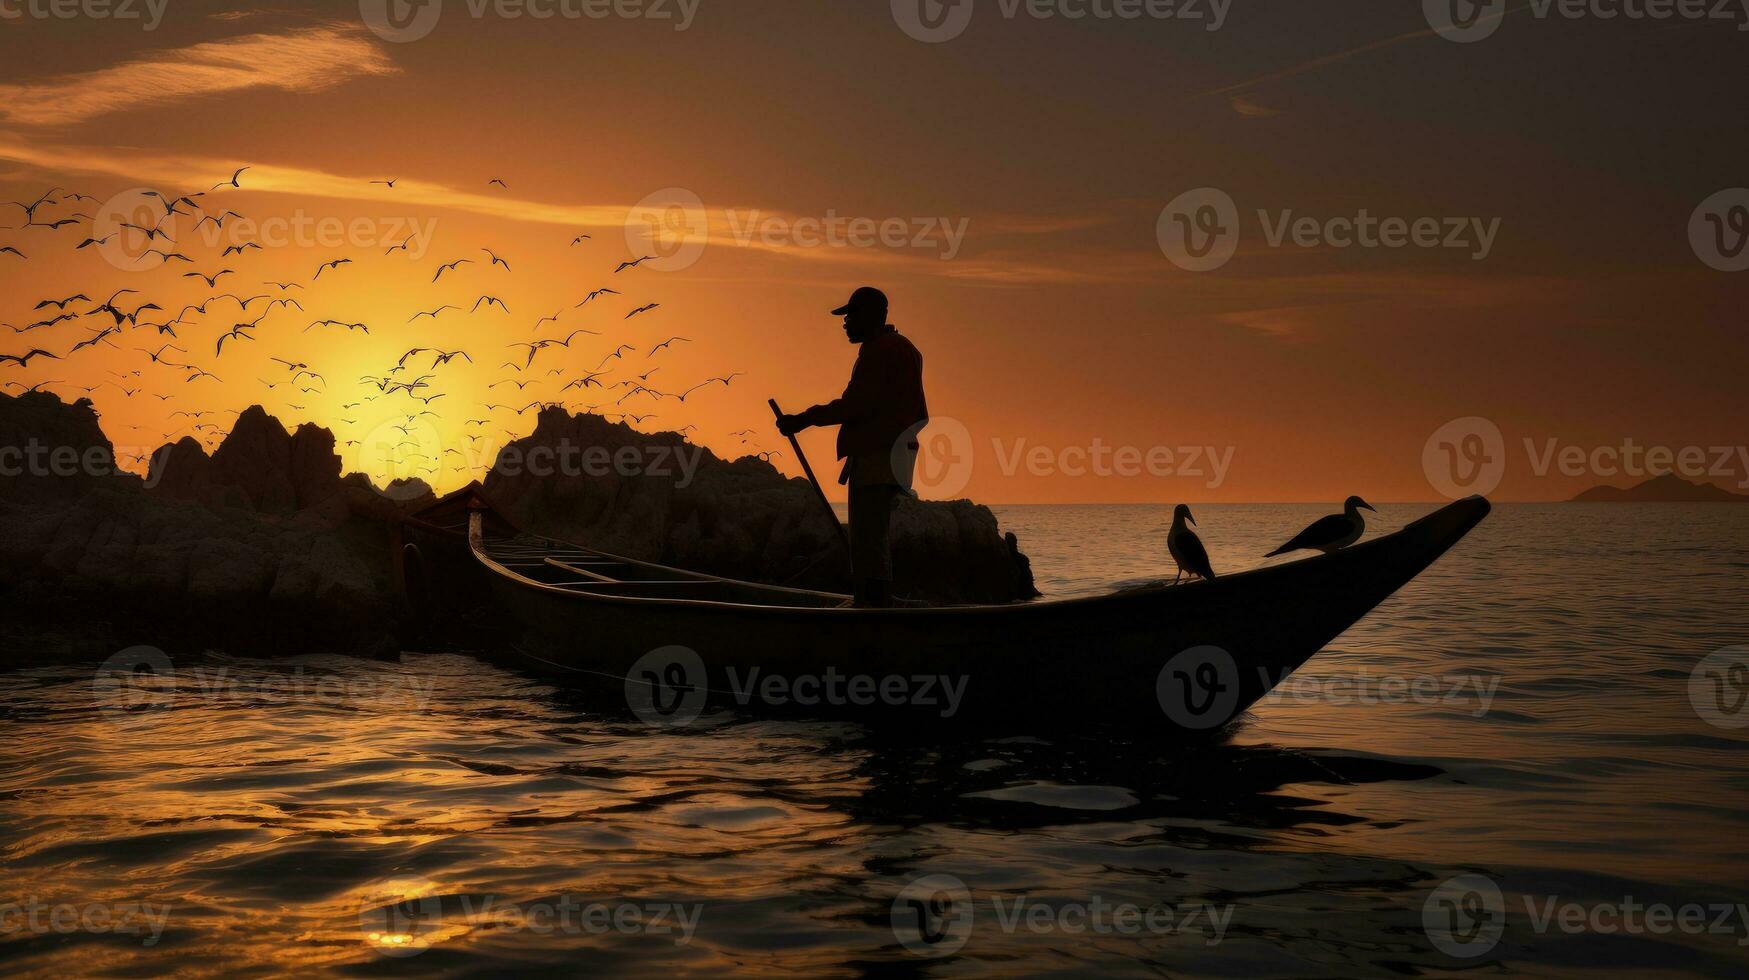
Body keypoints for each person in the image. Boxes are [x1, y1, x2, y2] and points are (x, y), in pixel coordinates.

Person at [777, 286, 928, 607]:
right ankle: (875, 601)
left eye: (851, 315)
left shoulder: (880, 350)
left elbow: (854, 405)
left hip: (878, 455)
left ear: (874, 316)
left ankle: (872, 607)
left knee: (867, 538)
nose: (845, 322)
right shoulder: (906, 349)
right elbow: (919, 414)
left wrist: (802, 420)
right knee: (872, 536)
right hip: (896, 454)